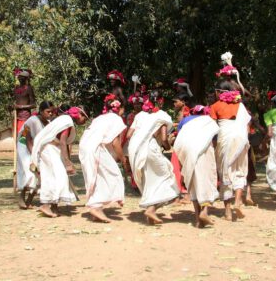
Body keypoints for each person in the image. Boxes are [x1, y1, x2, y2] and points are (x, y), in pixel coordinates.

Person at [127, 101, 179, 224]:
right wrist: (167, 147)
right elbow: (165, 138)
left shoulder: (139, 116)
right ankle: (152, 209)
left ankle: (150, 217)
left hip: (134, 149)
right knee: (168, 178)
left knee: (149, 180)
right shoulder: (162, 117)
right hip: (149, 148)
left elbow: (129, 135)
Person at [31, 107, 88, 217]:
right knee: (58, 176)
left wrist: (67, 160)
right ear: (79, 115)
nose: (85, 120)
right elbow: (62, 142)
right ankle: (45, 205)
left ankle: (54, 206)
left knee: (54, 176)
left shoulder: (64, 120)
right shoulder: (66, 121)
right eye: (85, 117)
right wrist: (67, 163)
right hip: (49, 148)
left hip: (51, 148)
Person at [79, 94, 127, 223]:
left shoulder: (100, 118)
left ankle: (97, 208)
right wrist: (123, 159)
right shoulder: (117, 119)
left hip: (84, 146)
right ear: (120, 108)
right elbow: (115, 143)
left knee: (98, 176)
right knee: (113, 173)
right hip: (95, 148)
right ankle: (96, 206)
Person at [210, 81, 251, 221]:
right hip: (241, 139)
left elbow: (212, 129)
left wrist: (213, 146)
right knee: (239, 169)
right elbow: (246, 124)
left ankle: (227, 212)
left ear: (219, 92)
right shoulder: (240, 106)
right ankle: (238, 202)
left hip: (224, 139)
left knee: (225, 173)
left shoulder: (215, 106)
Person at [174, 105, 219, 227]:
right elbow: (214, 141)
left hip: (187, 153)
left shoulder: (185, 120)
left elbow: (180, 137)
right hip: (202, 152)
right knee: (206, 181)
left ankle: (198, 220)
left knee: (193, 184)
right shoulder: (209, 121)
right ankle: (204, 212)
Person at [16, 101, 55, 209]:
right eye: (48, 111)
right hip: (24, 147)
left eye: (52, 112)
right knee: (30, 171)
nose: (50, 114)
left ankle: (29, 200)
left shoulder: (48, 123)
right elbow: (27, 139)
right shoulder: (32, 121)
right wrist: (34, 157)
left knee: (41, 174)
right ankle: (21, 197)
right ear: (41, 111)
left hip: (36, 148)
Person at [169, 92, 192, 199]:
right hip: (181, 140)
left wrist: (174, 128)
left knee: (180, 165)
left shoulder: (186, 111)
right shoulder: (180, 111)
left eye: (176, 102)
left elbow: (186, 124)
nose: (174, 104)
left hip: (184, 141)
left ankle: (184, 191)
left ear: (183, 102)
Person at [13, 68, 36, 134]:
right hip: (16, 118)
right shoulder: (16, 88)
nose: (20, 79)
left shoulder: (29, 88)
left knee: (24, 137)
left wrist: (21, 107)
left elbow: (34, 105)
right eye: (19, 77)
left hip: (25, 118)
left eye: (22, 77)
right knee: (17, 137)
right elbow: (15, 102)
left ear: (26, 79)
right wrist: (11, 107)